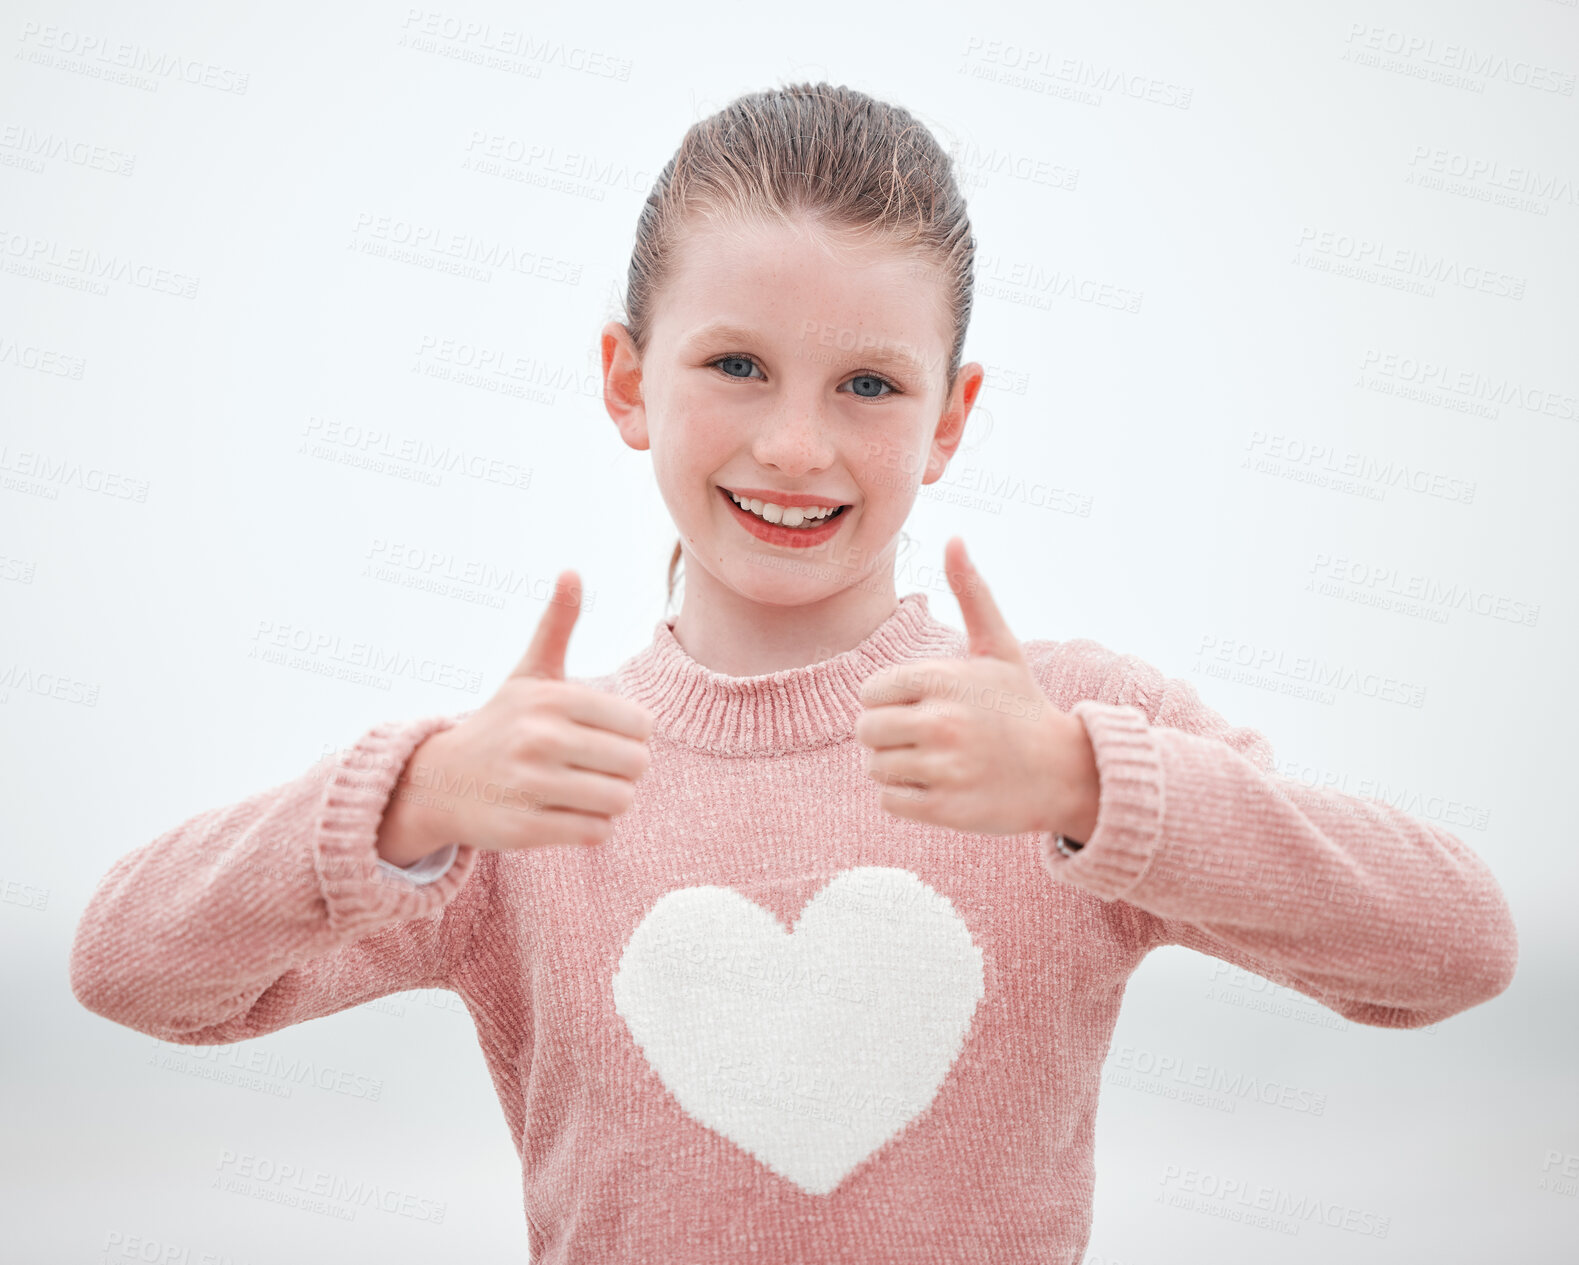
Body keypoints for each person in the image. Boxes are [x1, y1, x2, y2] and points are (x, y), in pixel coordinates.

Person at [69, 82, 1518, 1263]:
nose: (797, 448)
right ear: (630, 381)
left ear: (950, 420)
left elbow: (1452, 947)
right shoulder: (530, 783)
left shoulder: (1066, 738)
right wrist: (410, 796)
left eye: (869, 385)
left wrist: (1092, 782)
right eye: (738, 366)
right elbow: (132, 970)